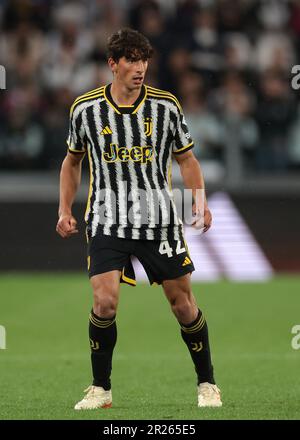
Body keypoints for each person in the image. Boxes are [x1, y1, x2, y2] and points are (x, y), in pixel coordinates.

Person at [56, 28, 222, 409]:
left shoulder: (166, 106)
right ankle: (101, 389)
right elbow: (72, 162)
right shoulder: (86, 109)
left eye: (144, 59)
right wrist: (64, 209)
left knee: (182, 304)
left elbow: (186, 159)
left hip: (158, 219)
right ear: (113, 64)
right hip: (106, 218)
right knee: (104, 303)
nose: (139, 67)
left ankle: (207, 383)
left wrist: (199, 202)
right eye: (131, 59)